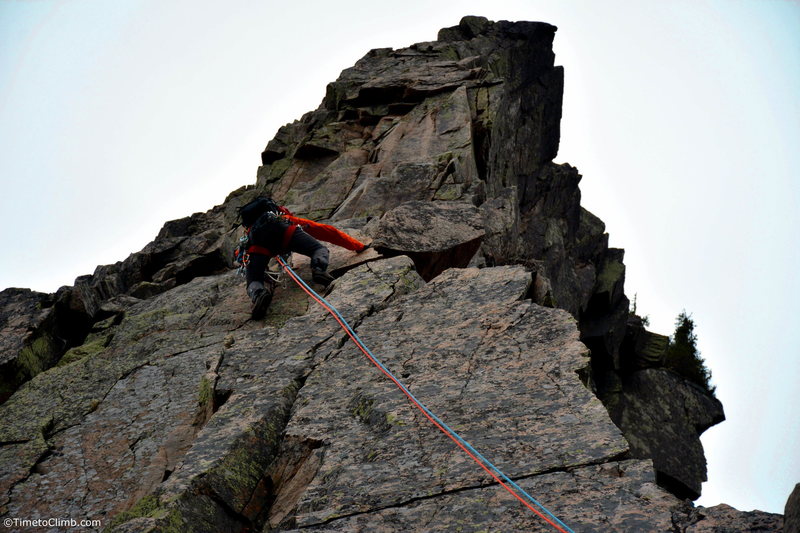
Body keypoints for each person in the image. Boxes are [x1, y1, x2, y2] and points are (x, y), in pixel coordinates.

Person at [235, 197, 367, 319]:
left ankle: (258, 293)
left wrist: (256, 270)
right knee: (318, 250)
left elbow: (241, 256)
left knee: (255, 279)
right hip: (286, 233)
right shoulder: (281, 218)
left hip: (257, 245)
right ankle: (318, 268)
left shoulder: (249, 233)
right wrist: (359, 246)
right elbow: (325, 230)